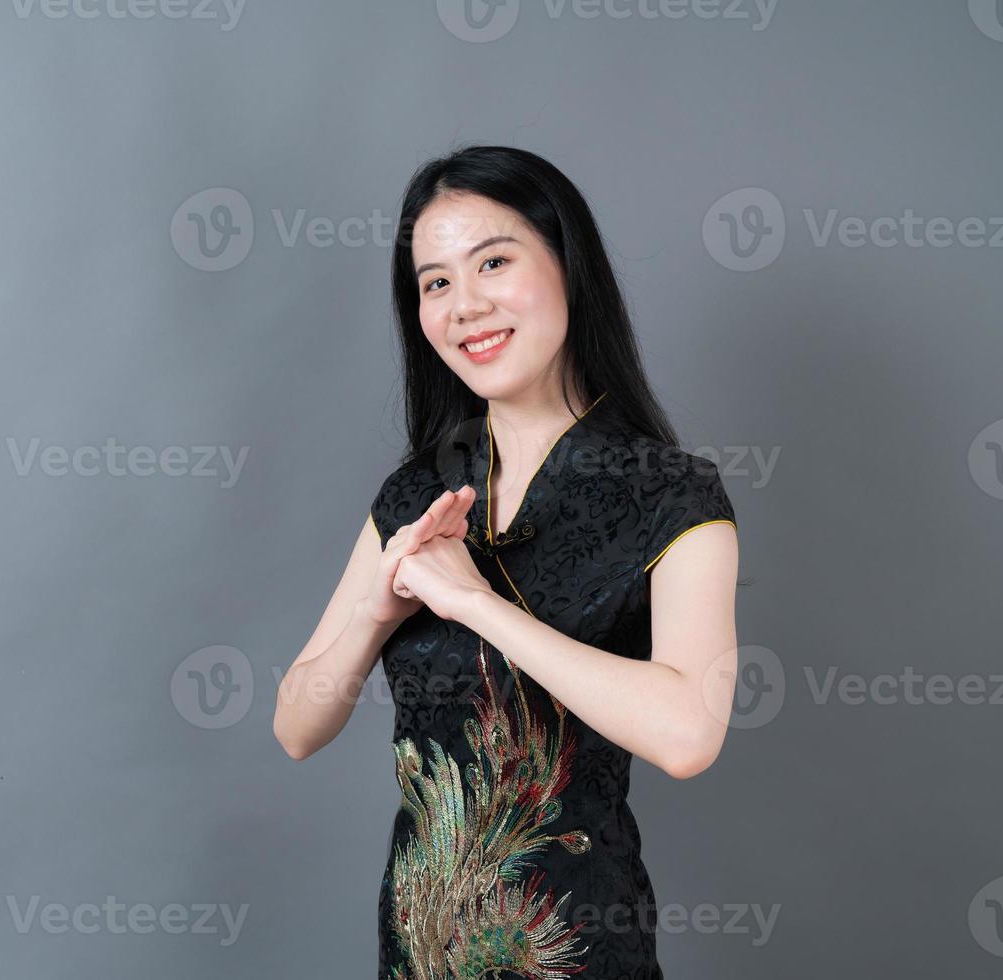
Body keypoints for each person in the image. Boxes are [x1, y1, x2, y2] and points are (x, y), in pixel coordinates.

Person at [272, 145, 742, 980]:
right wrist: (375, 613)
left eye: (494, 261)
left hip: (575, 949)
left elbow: (687, 732)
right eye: (436, 282)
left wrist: (475, 602)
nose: (466, 305)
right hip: (418, 952)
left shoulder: (670, 493)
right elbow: (296, 727)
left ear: (569, 266)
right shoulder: (418, 492)